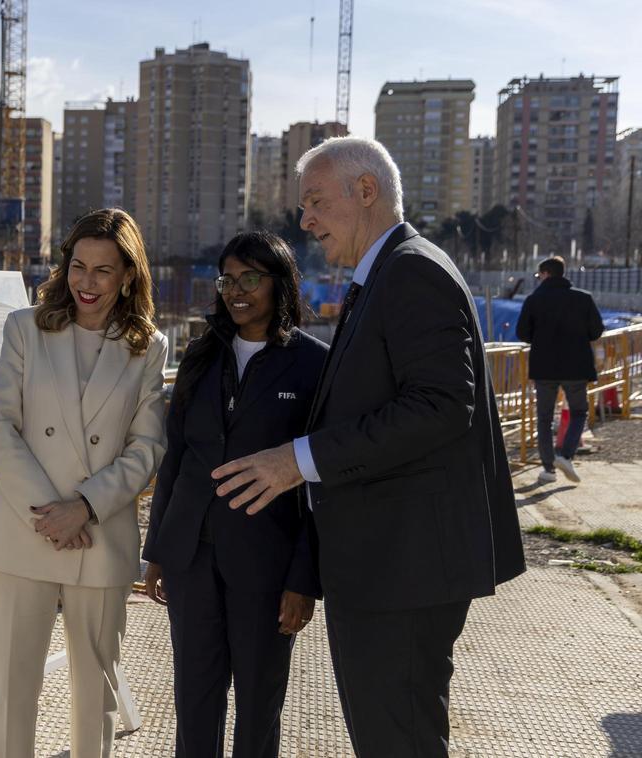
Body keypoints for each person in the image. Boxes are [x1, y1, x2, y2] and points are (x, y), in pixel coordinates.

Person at [210, 137, 526, 757]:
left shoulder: (411, 272)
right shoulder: (386, 273)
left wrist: (296, 460)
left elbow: (439, 406)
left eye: (315, 202)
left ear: (365, 191)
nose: (305, 221)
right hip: (388, 566)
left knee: (397, 739)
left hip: (403, 570)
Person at [0, 207, 168, 758]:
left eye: (104, 270)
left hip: (98, 534)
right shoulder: (24, 329)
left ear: (128, 274)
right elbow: (0, 428)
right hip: (25, 528)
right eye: (78, 266)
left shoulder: (147, 346)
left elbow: (147, 445)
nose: (87, 282)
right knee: (12, 687)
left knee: (96, 693)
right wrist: (51, 512)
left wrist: (83, 506)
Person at [142, 231, 326, 758]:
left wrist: (303, 580)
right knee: (194, 698)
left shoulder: (314, 365)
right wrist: (159, 552)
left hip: (268, 568)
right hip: (192, 558)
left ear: (279, 283)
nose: (237, 291)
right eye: (228, 279)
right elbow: (175, 458)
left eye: (251, 278)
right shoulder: (202, 355)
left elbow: (321, 483)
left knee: (259, 704)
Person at [516, 255, 604, 483]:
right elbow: (596, 331)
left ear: (546, 274)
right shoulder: (583, 299)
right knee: (578, 412)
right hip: (576, 366)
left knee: (544, 418)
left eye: (538, 275)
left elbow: (523, 334)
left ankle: (548, 469)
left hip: (544, 367)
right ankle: (565, 455)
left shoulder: (534, 300)